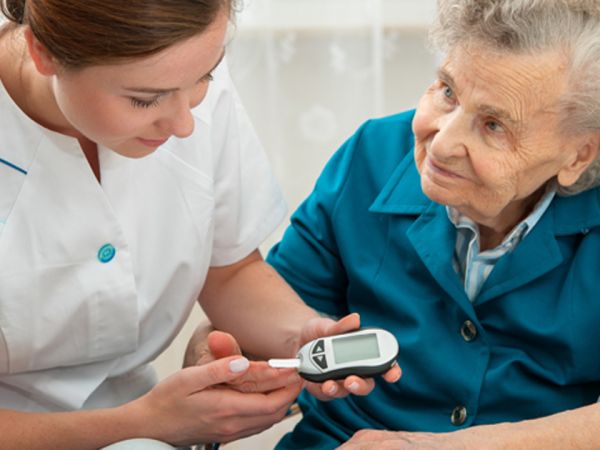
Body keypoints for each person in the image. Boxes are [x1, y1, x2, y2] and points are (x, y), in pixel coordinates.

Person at [0, 1, 401, 448]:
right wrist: (142, 423)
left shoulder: (180, 71)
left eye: (205, 77)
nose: (184, 124)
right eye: (143, 99)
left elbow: (229, 270)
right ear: (43, 53)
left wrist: (299, 335)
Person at [262, 0, 600, 448]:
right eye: (447, 92)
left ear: (578, 154)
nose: (442, 145)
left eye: (494, 125)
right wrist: (225, 352)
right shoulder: (373, 154)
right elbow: (275, 315)